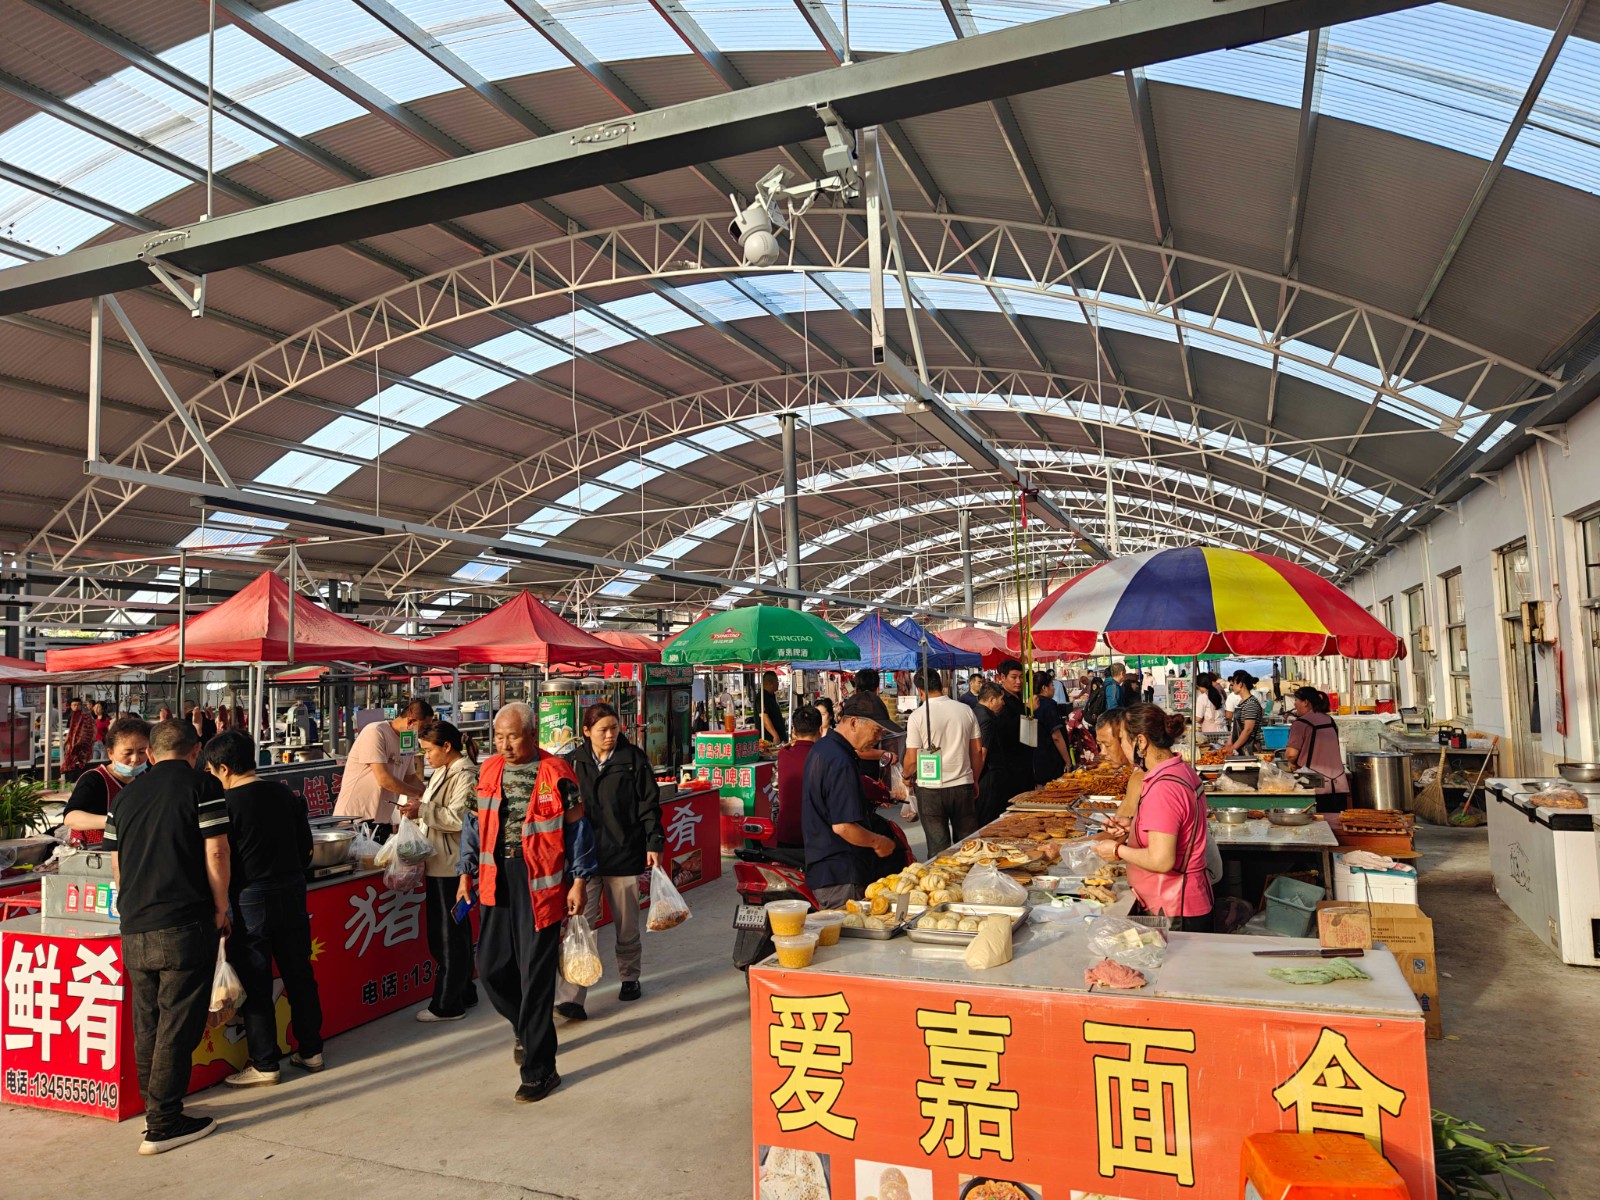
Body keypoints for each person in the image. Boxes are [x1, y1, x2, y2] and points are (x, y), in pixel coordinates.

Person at [455, 702, 597, 1102]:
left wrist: (579, 881)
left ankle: (540, 1070)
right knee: (491, 967)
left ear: (532, 735)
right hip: (495, 878)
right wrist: (465, 873)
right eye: (498, 737)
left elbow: (579, 831)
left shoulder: (557, 774)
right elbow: (472, 826)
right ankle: (526, 1027)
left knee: (535, 978)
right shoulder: (487, 771)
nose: (504, 745)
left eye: (512, 737)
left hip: (541, 885)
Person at [103, 719, 231, 1154]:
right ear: (196, 751)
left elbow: (118, 864)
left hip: (135, 923)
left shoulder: (124, 797)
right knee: (178, 1023)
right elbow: (217, 850)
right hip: (183, 921)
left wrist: (130, 909)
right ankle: (164, 1121)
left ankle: (154, 1107)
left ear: (152, 754)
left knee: (149, 1022)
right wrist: (220, 906)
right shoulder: (204, 787)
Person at [201, 730, 324, 1087]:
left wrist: (219, 904)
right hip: (292, 889)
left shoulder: (225, 805)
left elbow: (219, 857)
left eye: (211, 770)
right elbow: (305, 848)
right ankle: (311, 1050)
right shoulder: (284, 793)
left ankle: (266, 1063)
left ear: (224, 768)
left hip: (250, 897)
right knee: (299, 973)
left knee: (256, 980)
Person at [555, 703, 663, 1018]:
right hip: (583, 861)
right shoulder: (572, 763)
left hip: (624, 853)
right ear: (586, 731)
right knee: (580, 926)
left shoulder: (633, 760)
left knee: (626, 925)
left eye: (614, 728)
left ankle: (630, 977)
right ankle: (571, 996)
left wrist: (654, 841)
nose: (610, 734)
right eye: (603, 729)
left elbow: (648, 804)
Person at [1092, 704, 1213, 931]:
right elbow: (1175, 828)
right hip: (1176, 902)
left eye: (1122, 739)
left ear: (1140, 741)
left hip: (1174, 908)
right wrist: (1134, 826)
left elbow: (1161, 860)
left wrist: (1117, 850)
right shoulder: (1179, 770)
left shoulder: (1163, 787)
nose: (1122, 747)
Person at [400, 719, 480, 1023]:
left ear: (447, 746)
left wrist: (423, 810)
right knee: (454, 932)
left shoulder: (466, 774)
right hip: (440, 863)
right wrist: (419, 810)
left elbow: (460, 818)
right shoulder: (444, 771)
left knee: (447, 936)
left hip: (451, 867)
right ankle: (465, 990)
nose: (427, 757)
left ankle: (447, 1003)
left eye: (429, 750)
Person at [801, 693, 900, 908]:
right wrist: (878, 842)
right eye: (876, 730)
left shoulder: (822, 748)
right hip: (841, 873)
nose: (878, 738)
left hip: (826, 867)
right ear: (854, 723)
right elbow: (843, 826)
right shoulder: (840, 760)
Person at [903, 669, 984, 857]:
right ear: (941, 685)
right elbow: (977, 750)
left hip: (930, 790)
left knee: (938, 849)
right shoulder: (965, 710)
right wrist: (974, 779)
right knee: (969, 846)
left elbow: (911, 759)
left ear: (920, 691)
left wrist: (906, 776)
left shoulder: (918, 716)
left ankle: (941, 875)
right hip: (962, 786)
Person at [333, 698, 431, 829]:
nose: (424, 733)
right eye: (424, 727)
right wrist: (420, 794)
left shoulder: (409, 740)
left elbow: (410, 777)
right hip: (354, 818)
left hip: (381, 822)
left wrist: (430, 796)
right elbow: (384, 779)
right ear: (410, 721)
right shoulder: (375, 732)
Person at [62, 716, 150, 845]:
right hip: (96, 851)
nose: (135, 759)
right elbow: (71, 818)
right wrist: (114, 821)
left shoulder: (148, 777)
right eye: (127, 753)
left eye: (142, 752)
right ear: (110, 753)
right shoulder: (94, 779)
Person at [1284, 687, 1350, 812]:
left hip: (1314, 784)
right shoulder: (1329, 720)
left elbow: (1291, 754)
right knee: (1336, 821)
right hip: (1339, 782)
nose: (1295, 704)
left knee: (1317, 821)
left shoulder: (1301, 723)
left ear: (1305, 702)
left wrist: (1292, 763)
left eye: (1296, 700)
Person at [775, 705, 822, 850]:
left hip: (786, 834)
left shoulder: (783, 754)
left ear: (794, 731)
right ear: (820, 730)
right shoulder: (824, 756)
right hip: (816, 837)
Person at [989, 658, 1034, 803]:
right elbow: (1006, 729)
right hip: (1010, 766)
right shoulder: (1001, 700)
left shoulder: (1019, 697)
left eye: (1021, 677)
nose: (1018, 681)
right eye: (1014, 677)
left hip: (1025, 761)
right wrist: (1028, 710)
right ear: (1002, 677)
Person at [973, 682, 1010, 825]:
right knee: (988, 820)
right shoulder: (987, 719)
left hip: (983, 775)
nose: (1003, 703)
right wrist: (975, 781)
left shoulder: (973, 712)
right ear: (992, 699)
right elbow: (981, 752)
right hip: (988, 776)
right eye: (1001, 699)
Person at [1030, 669, 1069, 784]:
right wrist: (1067, 760)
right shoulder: (1049, 705)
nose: (1054, 688)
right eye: (1052, 685)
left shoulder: (1029, 704)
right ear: (1044, 688)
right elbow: (1056, 736)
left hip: (1036, 758)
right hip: (1050, 758)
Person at [1221, 671, 1265, 755]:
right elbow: (1236, 727)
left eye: (1233, 684)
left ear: (1240, 684)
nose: (1232, 686)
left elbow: (1248, 730)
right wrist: (1230, 743)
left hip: (1249, 749)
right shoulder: (1242, 702)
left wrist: (1233, 747)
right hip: (1240, 747)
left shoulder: (1251, 703)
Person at [62, 697, 96, 778]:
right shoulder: (70, 716)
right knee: (71, 766)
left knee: (83, 767)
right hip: (72, 746)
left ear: (81, 706)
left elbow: (93, 729)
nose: (76, 707)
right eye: (74, 705)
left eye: (78, 705)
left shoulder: (87, 717)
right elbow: (68, 730)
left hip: (83, 745)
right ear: (71, 706)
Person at [759, 670, 788, 744]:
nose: (778, 683)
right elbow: (764, 717)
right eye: (777, 681)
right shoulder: (762, 697)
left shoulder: (771, 696)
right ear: (770, 683)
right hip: (770, 740)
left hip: (780, 738)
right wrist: (775, 735)